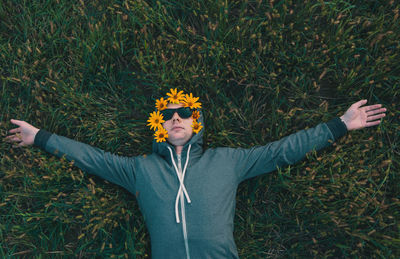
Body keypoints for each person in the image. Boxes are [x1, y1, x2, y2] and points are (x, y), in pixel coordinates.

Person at [3, 89, 387, 259]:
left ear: (196, 122)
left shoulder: (228, 161)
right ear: (159, 124)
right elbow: (91, 158)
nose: (175, 118)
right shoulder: (139, 169)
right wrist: (40, 137)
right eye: (168, 114)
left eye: (184, 113)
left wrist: (339, 125)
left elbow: (280, 152)